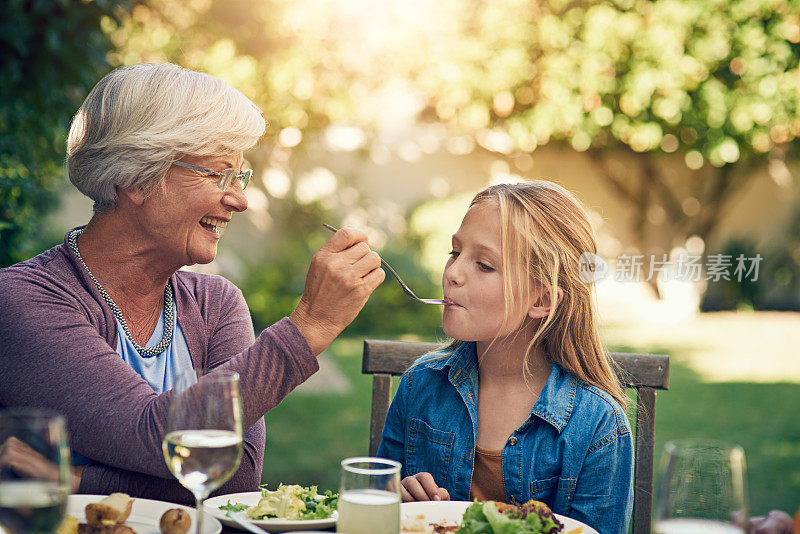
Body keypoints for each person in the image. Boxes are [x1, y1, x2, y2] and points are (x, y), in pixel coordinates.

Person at [0, 63, 384, 503]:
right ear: (135, 177)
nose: (239, 199)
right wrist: (309, 326)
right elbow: (149, 434)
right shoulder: (24, 300)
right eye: (217, 173)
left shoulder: (216, 305)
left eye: (240, 176)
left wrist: (78, 481)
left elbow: (235, 478)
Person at [377, 181, 634, 534]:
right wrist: (397, 501)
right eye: (454, 252)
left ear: (541, 301)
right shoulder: (419, 385)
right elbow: (374, 505)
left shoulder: (598, 426)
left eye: (484, 265)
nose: (452, 273)